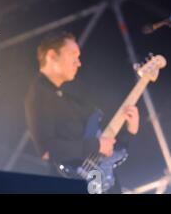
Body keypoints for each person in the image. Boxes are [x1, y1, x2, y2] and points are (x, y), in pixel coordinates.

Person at [24, 31, 139, 193]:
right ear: (51, 56)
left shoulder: (68, 97)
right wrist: (96, 145)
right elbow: (48, 151)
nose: (78, 63)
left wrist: (130, 130)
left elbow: (105, 147)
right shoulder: (39, 95)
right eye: (73, 55)